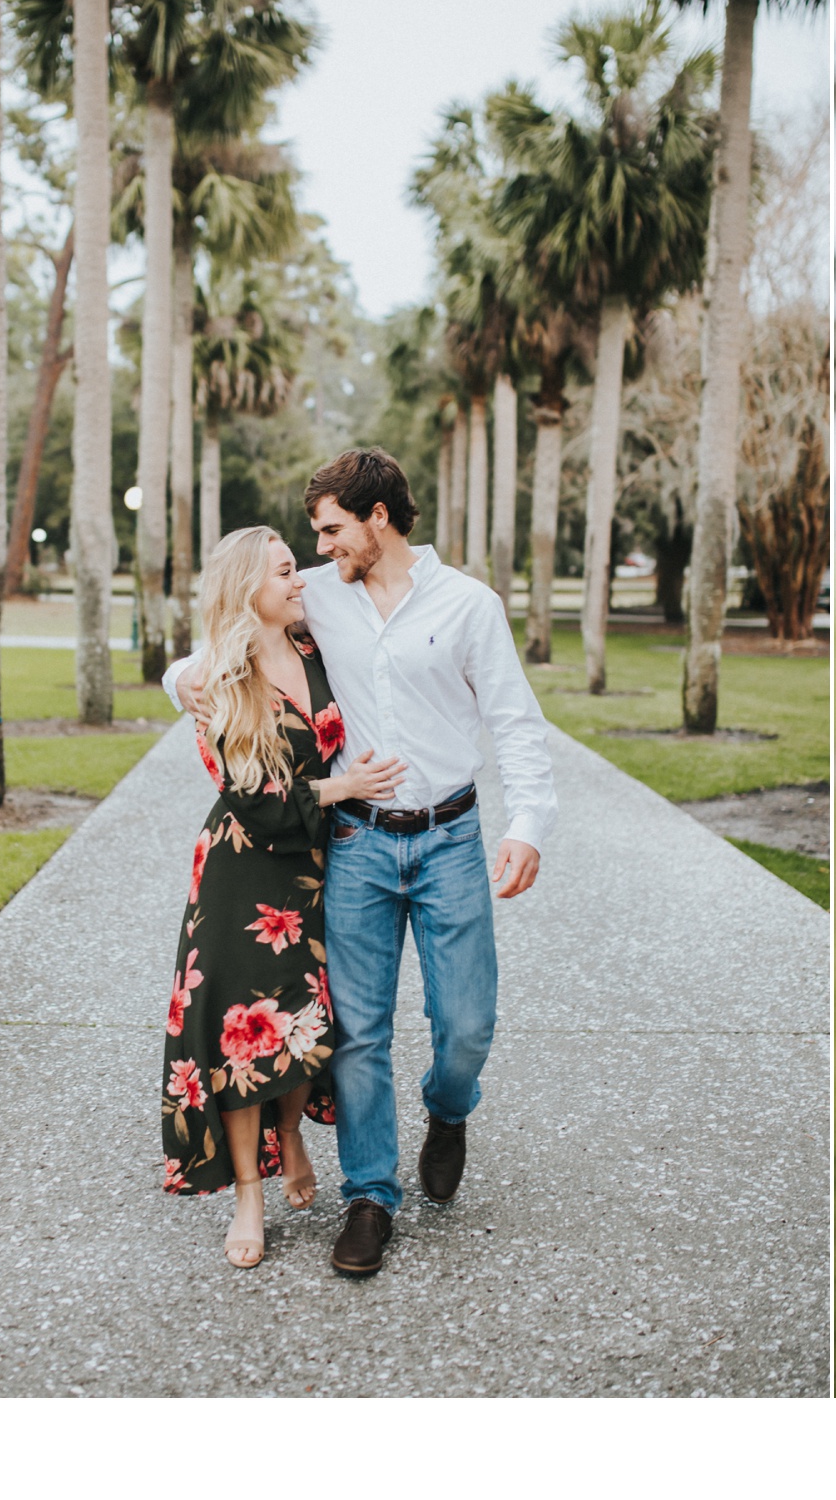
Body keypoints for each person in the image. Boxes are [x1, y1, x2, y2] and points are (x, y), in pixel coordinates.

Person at [167, 448, 556, 1279]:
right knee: (360, 1034)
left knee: (465, 1026)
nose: (322, 546)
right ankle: (370, 1196)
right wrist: (181, 680)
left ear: (378, 517)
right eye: (315, 533)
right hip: (357, 844)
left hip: (451, 836)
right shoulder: (319, 599)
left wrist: (527, 824)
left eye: (333, 528)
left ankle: (449, 1111)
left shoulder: (468, 606)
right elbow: (232, 633)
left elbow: (516, 721)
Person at [160, 526, 406, 1268]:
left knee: (310, 1020)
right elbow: (258, 800)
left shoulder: (313, 650)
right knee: (245, 1038)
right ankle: (248, 1197)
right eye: (285, 570)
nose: (301, 580)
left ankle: (292, 1133)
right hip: (245, 877)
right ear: (248, 590)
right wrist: (346, 787)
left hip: (319, 867)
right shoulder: (222, 682)